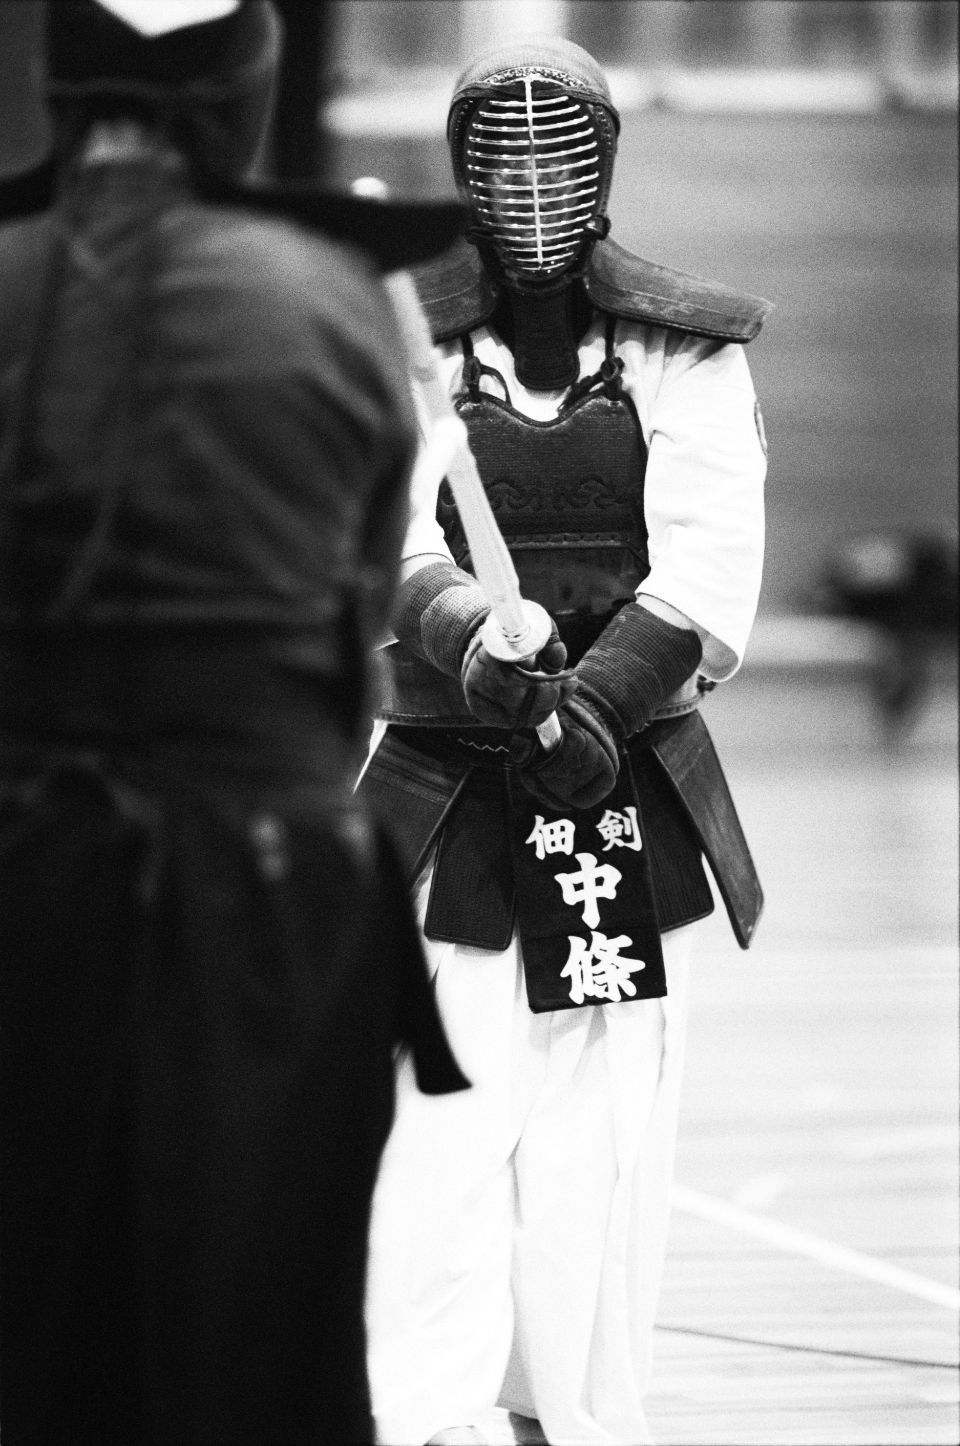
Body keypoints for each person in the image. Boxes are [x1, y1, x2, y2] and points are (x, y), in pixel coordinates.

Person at [0, 2, 467, 1442]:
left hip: (22, 883)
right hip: (270, 901)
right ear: (243, 93)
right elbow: (352, 637)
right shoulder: (332, 298)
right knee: (258, 1342)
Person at [360, 34, 770, 1446]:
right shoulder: (398, 338)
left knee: (600, 1134)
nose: (532, 178)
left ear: (605, 161)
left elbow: (710, 563)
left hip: (620, 787)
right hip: (444, 783)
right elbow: (377, 539)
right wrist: (477, 632)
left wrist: (593, 702)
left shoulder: (686, 344)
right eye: (502, 149)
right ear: (461, 166)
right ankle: (432, 1411)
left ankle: (578, 1410)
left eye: (561, 147)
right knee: (440, 1115)